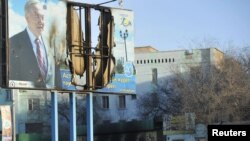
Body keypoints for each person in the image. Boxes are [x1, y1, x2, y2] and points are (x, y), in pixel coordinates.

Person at [9, 0, 56, 89]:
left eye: (42, 17)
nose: (41, 21)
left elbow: (56, 79)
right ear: (27, 18)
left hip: (51, 100)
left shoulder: (51, 44)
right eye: (36, 16)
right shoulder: (13, 42)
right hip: (24, 99)